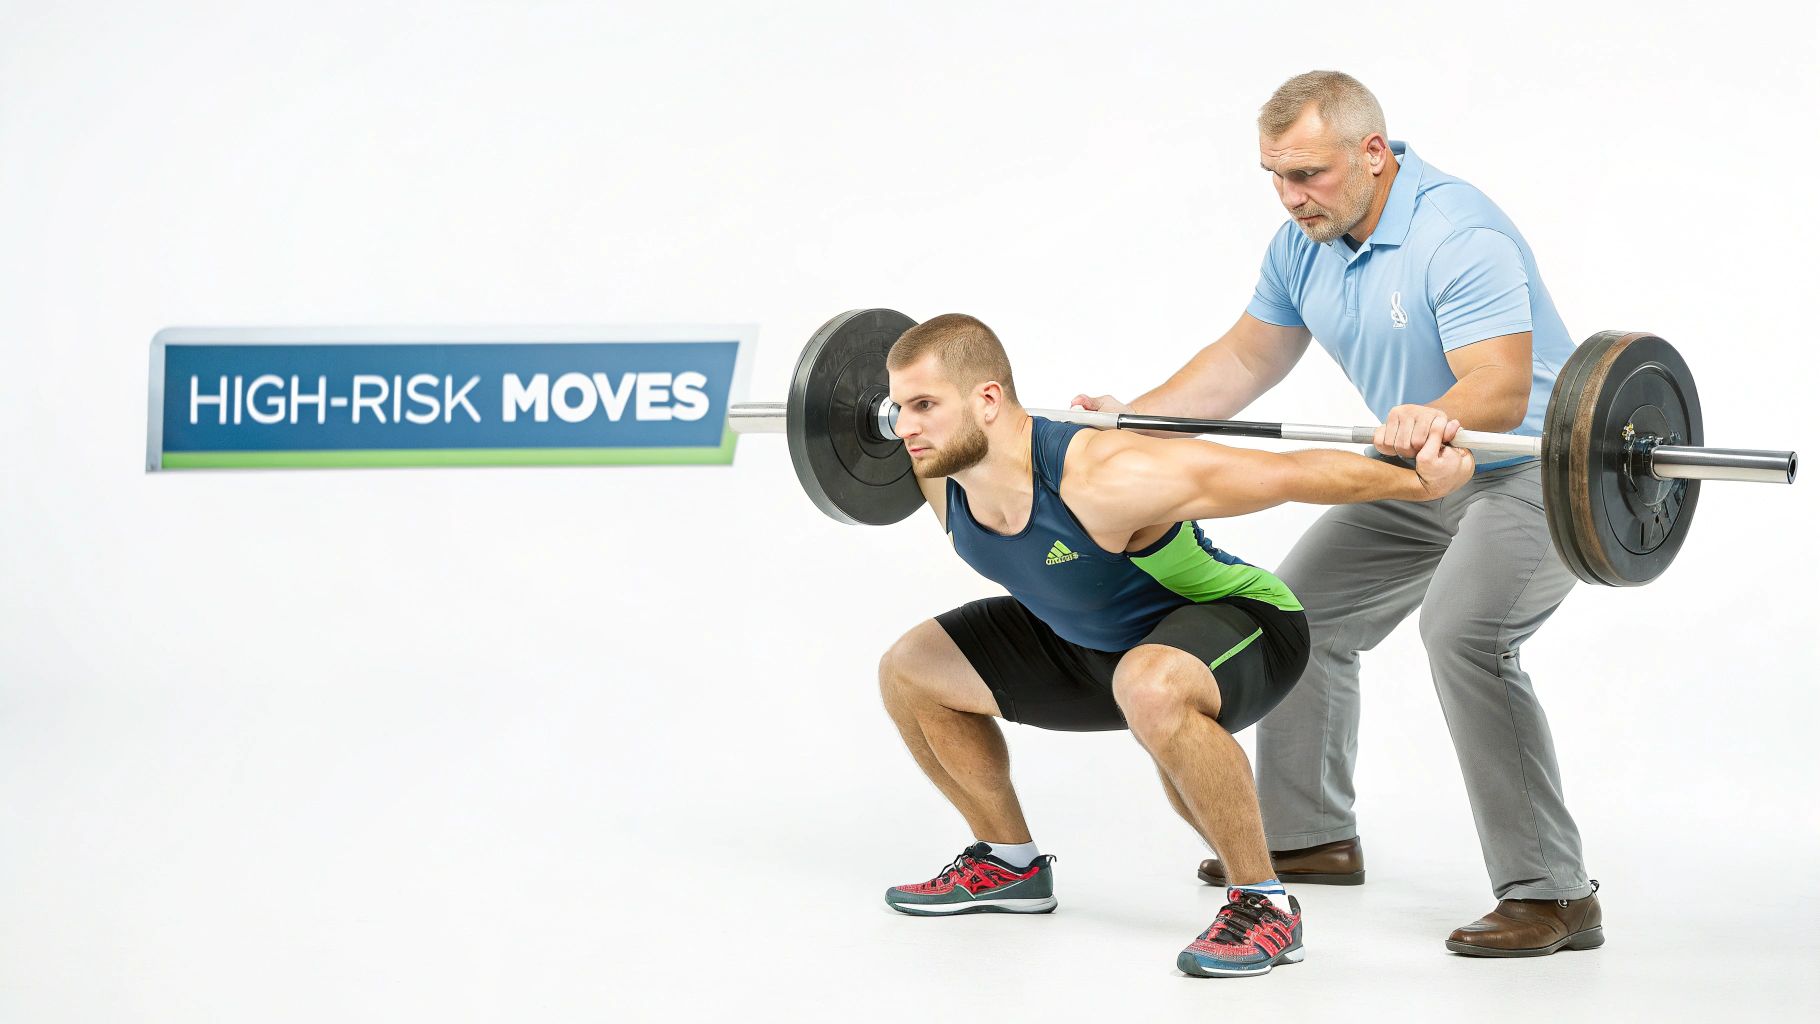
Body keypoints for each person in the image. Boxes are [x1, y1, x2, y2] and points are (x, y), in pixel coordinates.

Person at [1073, 70, 1602, 958]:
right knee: (1298, 613)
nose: (1291, 198)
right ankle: (1312, 834)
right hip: (1414, 471)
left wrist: (1441, 410)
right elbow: (1243, 361)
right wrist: (1131, 420)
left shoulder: (1455, 232)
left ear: (1372, 153)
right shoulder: (1302, 244)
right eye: (1276, 177)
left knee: (1465, 633)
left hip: (1531, 470)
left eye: (1309, 175)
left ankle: (1553, 893)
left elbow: (1502, 389)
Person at [876, 312, 1473, 978]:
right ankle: (1007, 863)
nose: (903, 427)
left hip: (1239, 621)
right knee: (910, 669)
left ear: (988, 399)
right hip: (1089, 642)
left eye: (924, 405)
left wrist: (1418, 482)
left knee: (1150, 685)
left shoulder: (1105, 475)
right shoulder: (938, 471)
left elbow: (1281, 475)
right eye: (897, 407)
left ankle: (1264, 903)